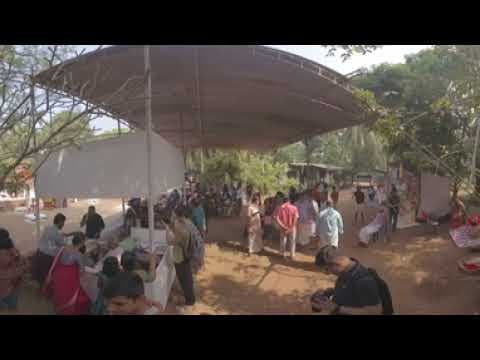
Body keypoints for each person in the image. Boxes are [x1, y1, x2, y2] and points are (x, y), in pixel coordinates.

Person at [310, 255, 383, 315]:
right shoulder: (346, 270)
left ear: (337, 264)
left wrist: (337, 308)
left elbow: (374, 311)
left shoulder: (364, 281)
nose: (326, 273)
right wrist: (331, 291)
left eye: (327, 269)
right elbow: (352, 290)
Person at [44, 232, 94, 315]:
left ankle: (57, 309)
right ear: (81, 243)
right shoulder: (78, 254)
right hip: (69, 278)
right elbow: (82, 271)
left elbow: (56, 259)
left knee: (59, 293)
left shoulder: (63, 248)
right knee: (68, 296)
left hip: (58, 274)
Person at [167, 206, 198, 307]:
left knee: (185, 279)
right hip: (186, 255)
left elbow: (170, 242)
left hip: (181, 257)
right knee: (187, 277)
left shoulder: (181, 229)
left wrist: (167, 231)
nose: (172, 215)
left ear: (176, 214)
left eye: (173, 213)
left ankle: (190, 300)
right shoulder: (186, 222)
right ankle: (189, 296)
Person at [34, 213, 69, 285]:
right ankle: (45, 291)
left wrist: (62, 235)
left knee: (40, 276)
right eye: (63, 223)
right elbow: (62, 244)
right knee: (47, 277)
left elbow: (51, 239)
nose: (63, 225)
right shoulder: (57, 233)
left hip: (39, 253)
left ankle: (41, 289)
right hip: (47, 257)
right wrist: (65, 239)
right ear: (60, 222)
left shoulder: (47, 228)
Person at [0, 229, 27, 311]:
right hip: (13, 284)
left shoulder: (10, 252)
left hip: (7, 284)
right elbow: (22, 265)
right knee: (12, 306)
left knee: (5, 307)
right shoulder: (14, 251)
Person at [275, 193, 299, 260]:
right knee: (292, 241)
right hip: (292, 227)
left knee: (283, 241)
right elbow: (296, 218)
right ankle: (292, 255)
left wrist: (283, 226)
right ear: (289, 200)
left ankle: (282, 254)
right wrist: (291, 227)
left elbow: (277, 218)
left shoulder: (281, 208)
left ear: (283, 200)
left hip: (283, 227)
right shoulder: (294, 208)